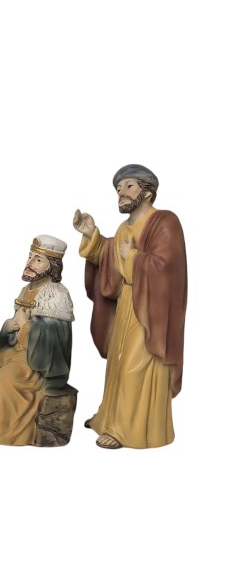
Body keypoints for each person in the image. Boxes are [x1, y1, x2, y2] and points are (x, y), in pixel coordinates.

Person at [73, 164, 187, 449]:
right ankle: (110, 418)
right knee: (119, 362)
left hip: (151, 310)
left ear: (147, 192)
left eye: (128, 186)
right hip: (127, 302)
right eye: (118, 188)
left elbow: (167, 267)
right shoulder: (124, 228)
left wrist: (133, 257)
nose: (121, 193)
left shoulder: (165, 221)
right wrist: (91, 235)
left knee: (136, 366)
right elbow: (110, 257)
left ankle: (127, 430)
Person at [0, 236, 75, 448]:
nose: (30, 263)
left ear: (52, 266)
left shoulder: (57, 295)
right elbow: (17, 322)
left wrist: (26, 325)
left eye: (38, 260)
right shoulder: (26, 289)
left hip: (39, 360)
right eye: (30, 257)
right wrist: (8, 327)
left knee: (4, 378)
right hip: (17, 349)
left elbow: (55, 336)